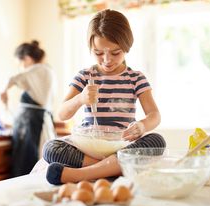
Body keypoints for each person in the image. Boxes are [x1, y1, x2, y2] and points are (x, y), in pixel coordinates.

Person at [43, 9, 166, 185]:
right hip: (88, 146)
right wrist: (80, 99)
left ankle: (80, 174)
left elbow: (155, 115)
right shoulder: (85, 76)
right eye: (99, 53)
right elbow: (61, 114)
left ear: (126, 45)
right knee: (51, 148)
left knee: (156, 141)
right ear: (90, 48)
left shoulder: (136, 78)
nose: (107, 60)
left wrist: (142, 125)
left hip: (122, 145)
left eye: (115, 53)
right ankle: (114, 169)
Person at [0, 40, 56, 177]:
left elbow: (15, 78)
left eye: (21, 63)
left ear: (27, 58)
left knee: (31, 163)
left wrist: (5, 90)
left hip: (33, 124)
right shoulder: (41, 72)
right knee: (25, 163)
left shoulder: (41, 69)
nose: (22, 67)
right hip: (29, 124)